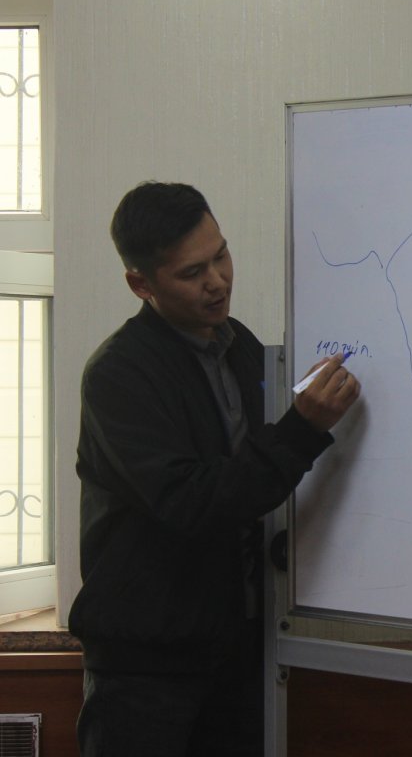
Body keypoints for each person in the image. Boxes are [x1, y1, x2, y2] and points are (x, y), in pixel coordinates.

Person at [68, 182, 362, 756]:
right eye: (192, 272)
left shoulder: (241, 347)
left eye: (221, 255)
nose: (218, 281)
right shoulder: (118, 374)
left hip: (238, 653)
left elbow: (253, 476)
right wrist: (302, 428)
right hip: (146, 671)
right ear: (141, 285)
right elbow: (192, 500)